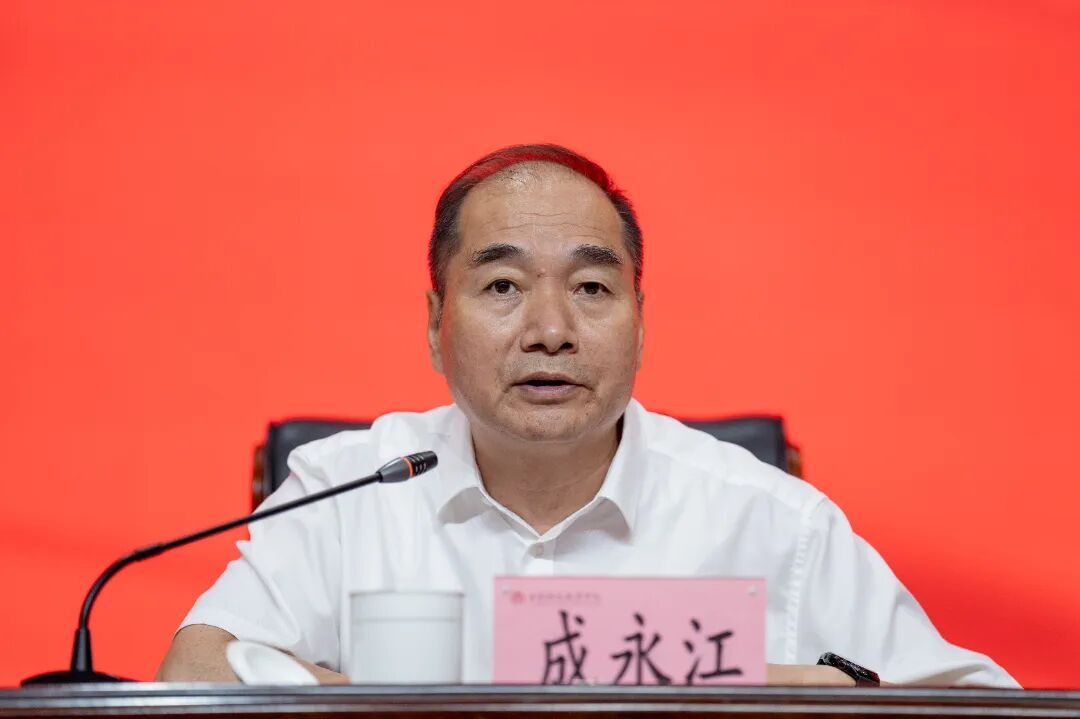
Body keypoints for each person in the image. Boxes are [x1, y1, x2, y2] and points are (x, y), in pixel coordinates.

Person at [158, 144, 1017, 687]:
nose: (550, 330)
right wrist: (396, 709)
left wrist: (792, 689)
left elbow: (982, 706)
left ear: (641, 324)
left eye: (593, 288)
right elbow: (196, 667)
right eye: (502, 285)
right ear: (434, 323)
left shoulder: (770, 521)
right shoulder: (348, 493)